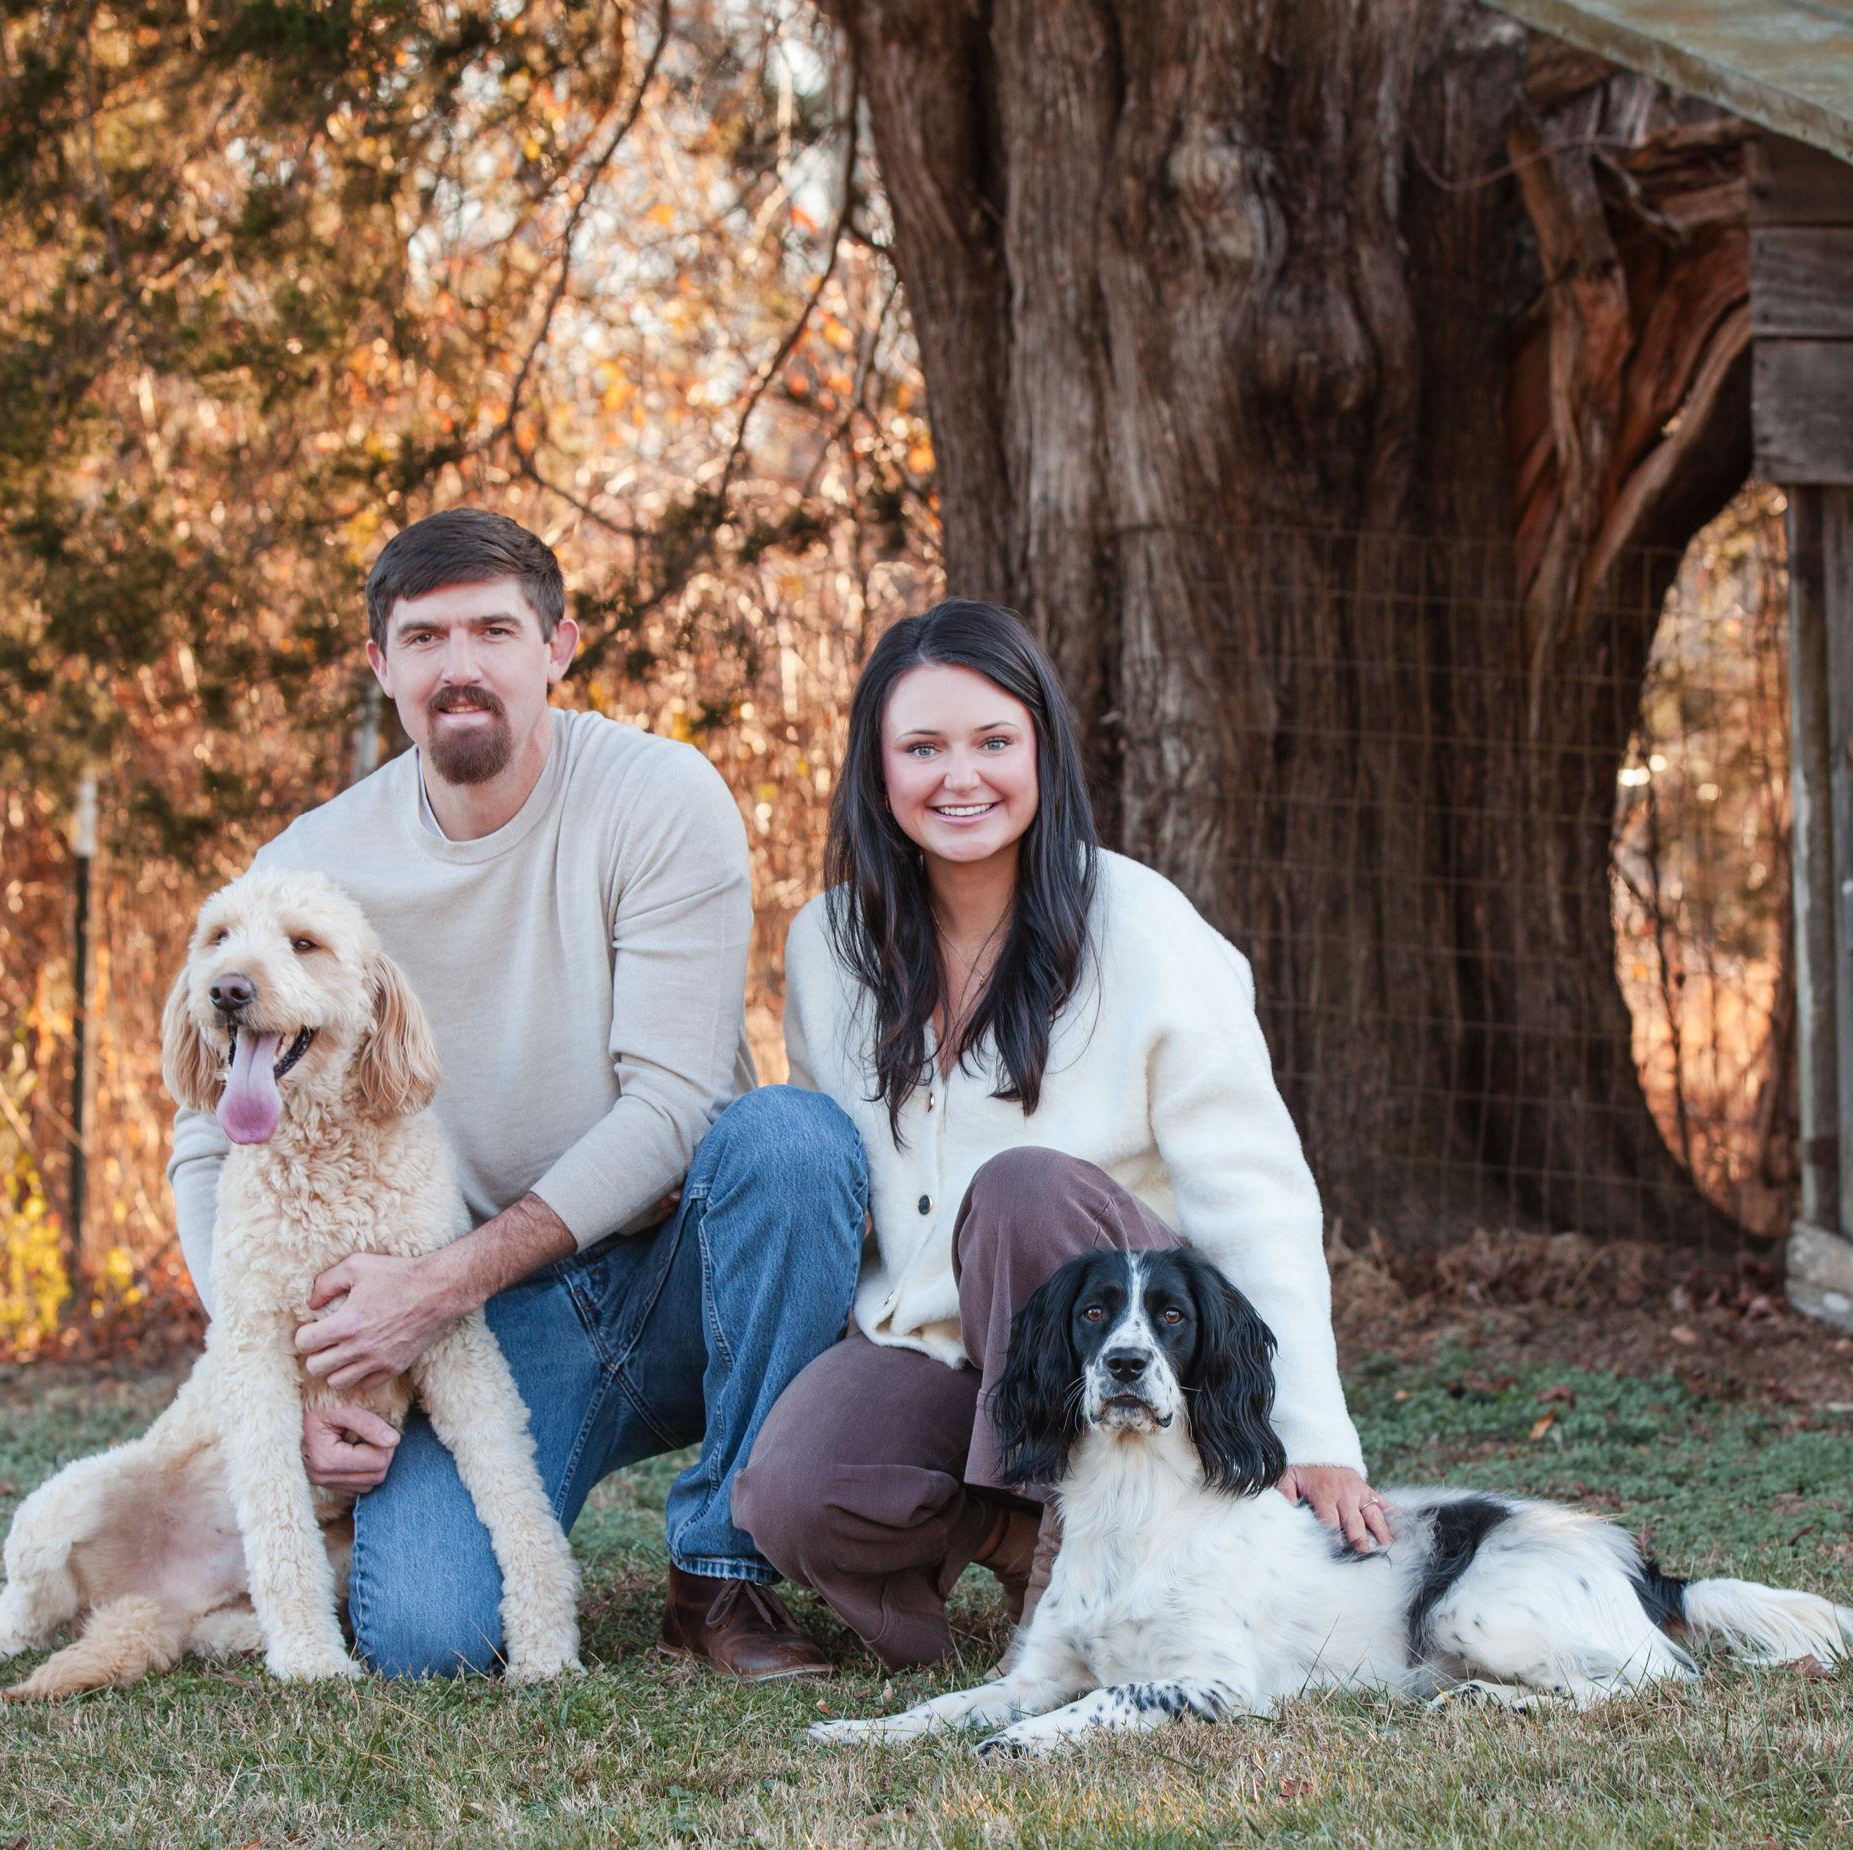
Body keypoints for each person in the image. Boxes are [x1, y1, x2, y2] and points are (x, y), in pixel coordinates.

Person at [168, 507, 866, 1681]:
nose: (461, 665)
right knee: (427, 1634)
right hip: (480, 1327)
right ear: (380, 664)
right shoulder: (310, 866)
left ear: (558, 646)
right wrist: (284, 1370)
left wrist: (438, 1281)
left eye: (494, 629)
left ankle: (720, 1576)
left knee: (791, 1142)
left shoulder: (657, 795)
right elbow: (206, 1140)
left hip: (678, 1267)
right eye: (424, 637)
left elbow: (675, 1101)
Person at [733, 598, 1389, 1670]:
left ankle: (1057, 1609)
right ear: (876, 768)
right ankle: (1023, 1530)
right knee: (795, 1492)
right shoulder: (828, 945)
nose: (961, 777)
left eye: (994, 742)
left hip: (1121, 1330)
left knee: (1024, 1188)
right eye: (922, 747)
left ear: (1043, 752)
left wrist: (1313, 1438)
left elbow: (1255, 1191)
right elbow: (846, 1192)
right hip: (946, 1346)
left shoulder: (1143, 926)